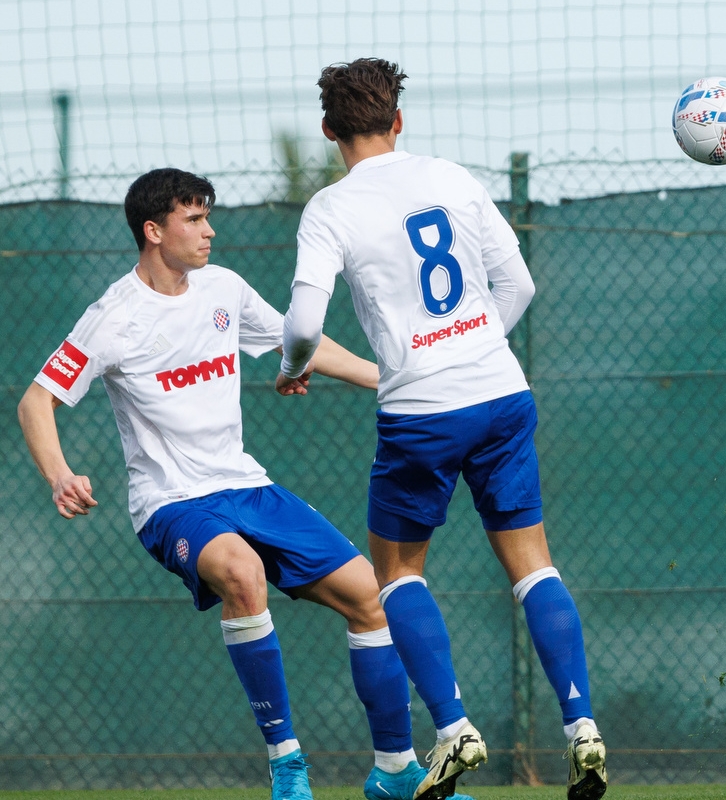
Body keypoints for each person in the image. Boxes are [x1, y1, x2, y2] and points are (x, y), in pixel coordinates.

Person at [15, 168, 454, 800]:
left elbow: (299, 342)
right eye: (192, 219)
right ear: (153, 231)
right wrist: (59, 474)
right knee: (243, 572)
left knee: (372, 598)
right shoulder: (113, 316)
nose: (208, 230)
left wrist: (394, 380)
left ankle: (394, 770)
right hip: (172, 505)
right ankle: (287, 766)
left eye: (207, 216)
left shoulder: (223, 288)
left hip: (246, 486)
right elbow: (36, 401)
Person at [276, 58, 606, 800]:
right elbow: (517, 284)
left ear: (329, 130)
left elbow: (301, 324)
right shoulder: (451, 177)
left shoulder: (331, 208)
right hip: (501, 392)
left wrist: (297, 365)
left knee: (397, 575)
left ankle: (455, 731)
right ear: (398, 120)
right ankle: (582, 727)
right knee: (533, 567)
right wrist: (476, 345)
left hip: (421, 411)